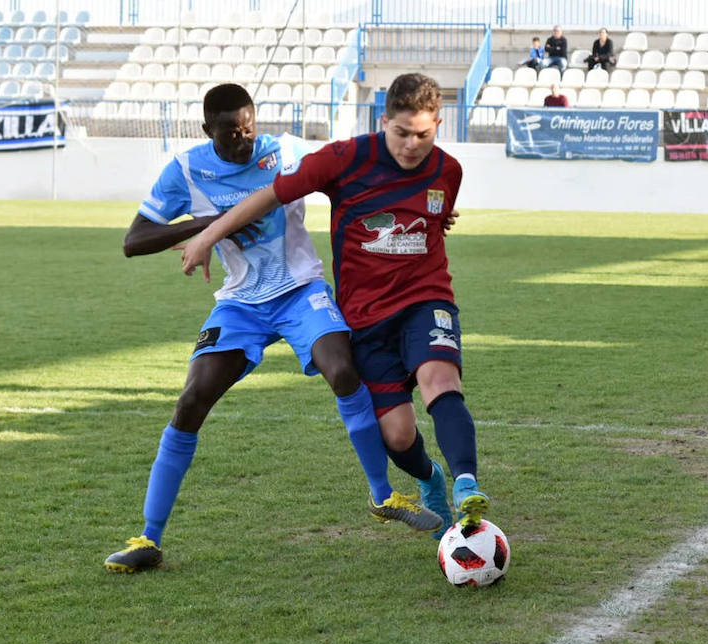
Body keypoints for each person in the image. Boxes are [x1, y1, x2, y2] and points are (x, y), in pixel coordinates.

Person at [104, 84, 442, 573]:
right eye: (230, 133)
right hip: (241, 303)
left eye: (249, 128)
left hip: (301, 290)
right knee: (192, 400)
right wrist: (207, 226)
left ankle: (382, 495)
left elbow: (352, 166)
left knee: (342, 369)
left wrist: (416, 201)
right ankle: (148, 539)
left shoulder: (283, 151)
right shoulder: (186, 170)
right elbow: (134, 240)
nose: (243, 139)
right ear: (207, 130)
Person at [178, 73, 490, 540]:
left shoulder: (449, 171)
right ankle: (431, 478)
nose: (411, 145)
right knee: (398, 436)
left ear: (438, 126)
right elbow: (270, 195)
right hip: (366, 316)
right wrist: (208, 235)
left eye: (423, 135)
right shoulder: (345, 159)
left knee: (440, 380)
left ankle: (467, 485)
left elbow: (435, 217)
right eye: (402, 133)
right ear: (383, 121)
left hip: (426, 298)